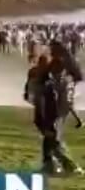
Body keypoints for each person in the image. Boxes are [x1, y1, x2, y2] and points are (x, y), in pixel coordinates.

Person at [26, 41, 84, 176]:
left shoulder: (54, 81)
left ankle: (70, 167)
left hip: (52, 112)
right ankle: (49, 165)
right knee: (50, 138)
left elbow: (64, 100)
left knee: (53, 139)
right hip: (47, 112)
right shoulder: (46, 78)